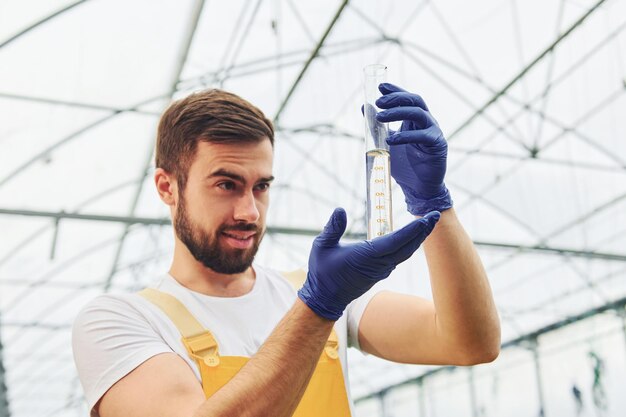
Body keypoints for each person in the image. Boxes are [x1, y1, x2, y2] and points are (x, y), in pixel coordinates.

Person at [72, 83, 500, 417]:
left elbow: (470, 342)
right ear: (168, 187)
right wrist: (318, 307)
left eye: (261, 187)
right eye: (226, 185)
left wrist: (435, 205)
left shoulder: (311, 292)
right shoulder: (122, 321)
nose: (249, 212)